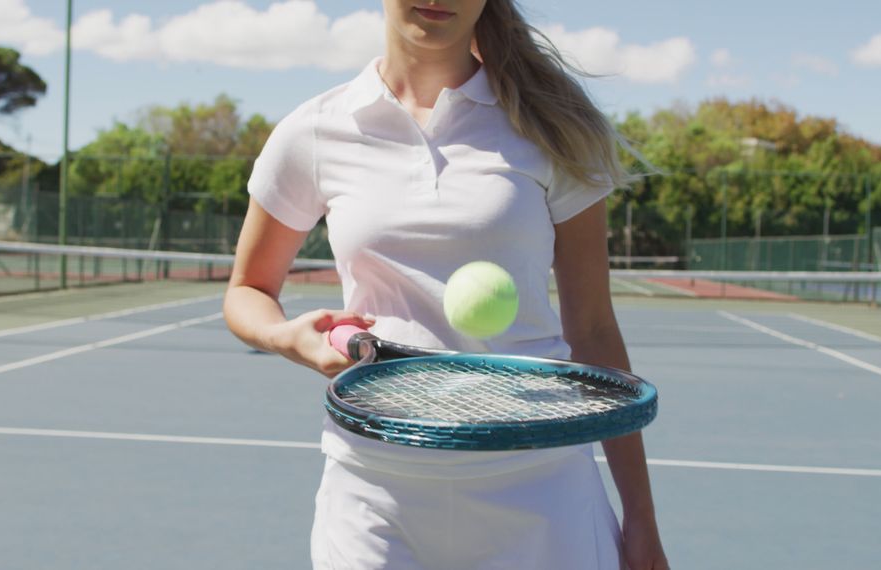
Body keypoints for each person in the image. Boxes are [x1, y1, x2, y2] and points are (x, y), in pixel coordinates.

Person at [224, 0, 669, 568]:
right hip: (373, 499)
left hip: (539, 488)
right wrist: (286, 337)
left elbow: (594, 328)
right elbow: (247, 290)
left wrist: (642, 517)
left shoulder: (553, 128)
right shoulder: (314, 130)